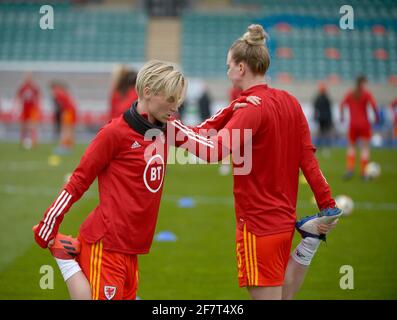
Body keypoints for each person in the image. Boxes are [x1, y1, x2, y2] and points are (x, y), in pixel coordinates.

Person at [33, 60, 258, 300]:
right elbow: (78, 181)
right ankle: (66, 260)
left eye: (178, 100)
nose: (175, 107)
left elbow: (209, 146)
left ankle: (68, 259)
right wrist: (49, 223)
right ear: (148, 92)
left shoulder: (168, 126)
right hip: (106, 242)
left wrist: (234, 109)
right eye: (170, 99)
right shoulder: (114, 133)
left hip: (132, 248)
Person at [173, 24, 341, 300]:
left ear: (241, 68)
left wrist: (172, 132)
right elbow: (308, 160)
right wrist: (327, 204)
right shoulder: (290, 102)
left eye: (228, 65)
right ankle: (308, 244)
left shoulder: (250, 108)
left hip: (257, 225)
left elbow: (213, 151)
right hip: (284, 220)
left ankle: (309, 243)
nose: (226, 71)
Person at [340, 75, 379, 180]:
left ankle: (350, 170)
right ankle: (364, 172)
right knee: (365, 148)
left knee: (351, 147)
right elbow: (374, 105)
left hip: (353, 124)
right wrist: (377, 117)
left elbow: (342, 105)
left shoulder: (350, 94)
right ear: (363, 83)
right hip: (364, 124)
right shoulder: (366, 94)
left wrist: (342, 117)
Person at [14, 72, 41, 149]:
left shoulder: (34, 87)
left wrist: (37, 107)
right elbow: (18, 97)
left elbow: (38, 96)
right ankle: (22, 140)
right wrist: (17, 107)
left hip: (32, 109)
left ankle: (34, 141)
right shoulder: (23, 87)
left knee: (33, 125)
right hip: (24, 108)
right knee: (23, 125)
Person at [50, 82, 78, 153]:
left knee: (66, 128)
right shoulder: (62, 92)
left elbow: (61, 105)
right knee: (68, 128)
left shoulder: (58, 93)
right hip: (70, 111)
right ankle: (68, 146)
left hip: (68, 111)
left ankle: (65, 146)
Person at [313, 82, 333, 156]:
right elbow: (329, 110)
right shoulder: (326, 98)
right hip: (325, 118)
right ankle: (325, 148)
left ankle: (319, 148)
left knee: (321, 133)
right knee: (325, 134)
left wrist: (315, 117)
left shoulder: (318, 98)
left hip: (321, 118)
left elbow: (315, 109)